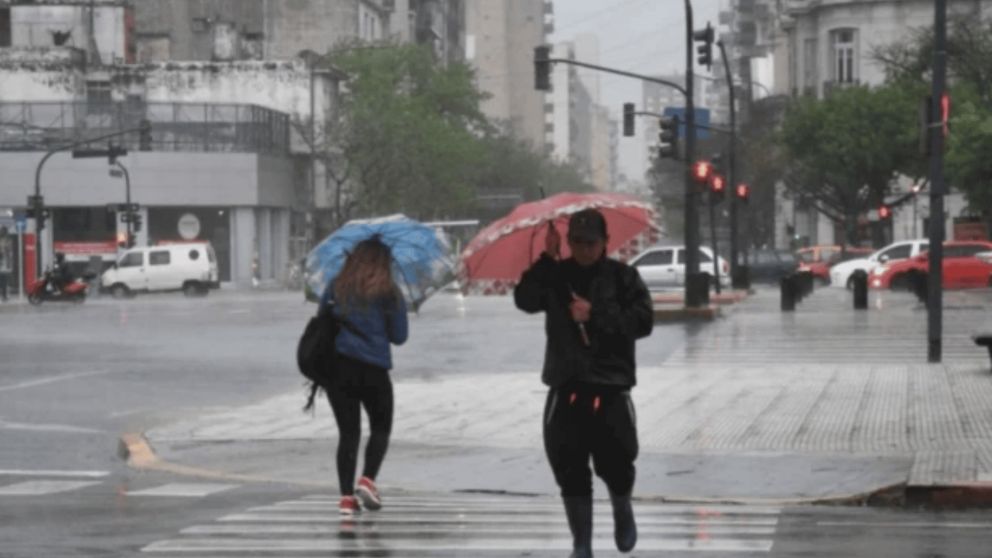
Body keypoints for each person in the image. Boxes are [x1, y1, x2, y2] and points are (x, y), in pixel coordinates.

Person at [513, 209, 654, 558]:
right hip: (566, 386)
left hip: (610, 389)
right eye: (576, 242)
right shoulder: (556, 275)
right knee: (570, 470)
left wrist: (596, 315)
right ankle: (582, 543)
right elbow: (525, 299)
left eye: (590, 242)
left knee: (617, 465)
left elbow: (644, 321)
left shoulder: (623, 277)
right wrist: (547, 257)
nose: (583, 249)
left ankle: (622, 509)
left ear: (605, 242)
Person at [318, 237, 408, 516]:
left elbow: (322, 319)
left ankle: (346, 498)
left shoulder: (336, 286)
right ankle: (367, 479)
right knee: (380, 427)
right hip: (374, 370)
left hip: (338, 370)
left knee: (349, 434)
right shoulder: (389, 292)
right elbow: (399, 336)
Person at [0, 227, 11, 302]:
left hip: (4, 264)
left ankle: (4, 295)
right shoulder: (4, 241)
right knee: (3, 280)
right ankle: (4, 295)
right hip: (2, 263)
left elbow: (8, 251)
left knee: (4, 280)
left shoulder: (6, 241)